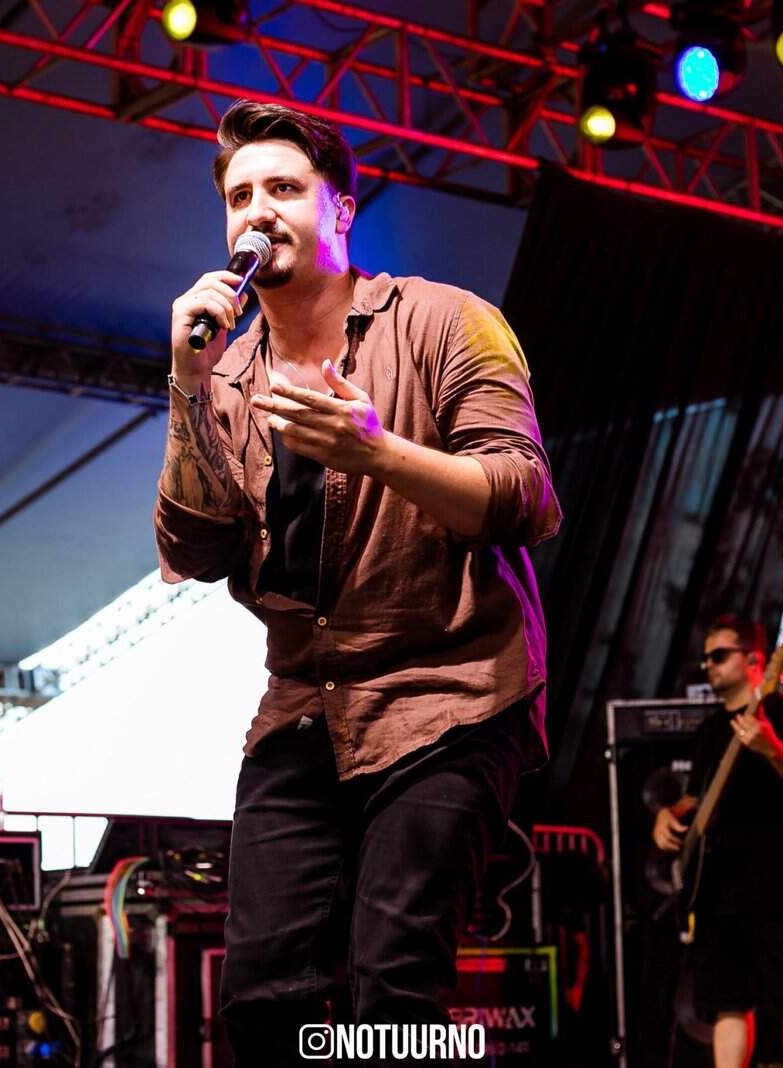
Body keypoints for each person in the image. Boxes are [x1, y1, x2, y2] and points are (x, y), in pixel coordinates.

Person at [153, 99, 561, 1066]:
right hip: (307, 703)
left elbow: (524, 495)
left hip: (448, 693)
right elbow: (194, 548)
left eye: (284, 189)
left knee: (395, 986)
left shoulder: (448, 320)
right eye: (240, 196)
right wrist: (186, 386)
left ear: (340, 211)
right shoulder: (227, 377)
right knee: (262, 1001)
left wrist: (378, 452)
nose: (258, 211)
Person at [652, 616, 783, 1068]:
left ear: (754, 660)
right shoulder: (709, 730)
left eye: (719, 655)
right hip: (716, 890)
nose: (707, 665)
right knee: (727, 1005)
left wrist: (771, 747)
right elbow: (695, 797)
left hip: (775, 886)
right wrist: (667, 816)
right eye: (705, 658)